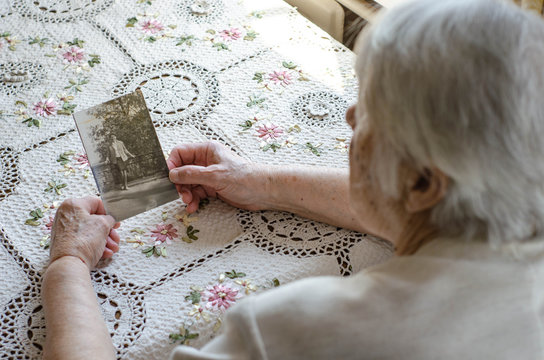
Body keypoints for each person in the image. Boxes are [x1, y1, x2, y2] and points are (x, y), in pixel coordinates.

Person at [41, 0, 544, 359]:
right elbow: (431, 210)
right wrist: (261, 181)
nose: (349, 115)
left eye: (371, 108)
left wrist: (66, 267)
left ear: (422, 185)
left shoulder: (293, 329)